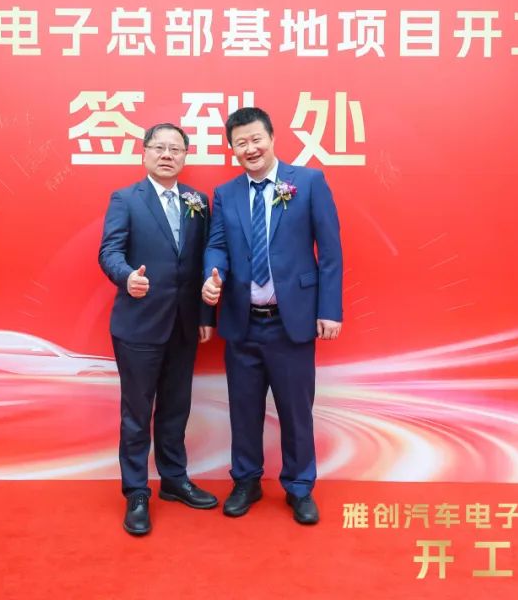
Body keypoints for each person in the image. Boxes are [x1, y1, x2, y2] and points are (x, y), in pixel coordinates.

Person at [201, 107, 342, 525]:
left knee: (296, 412)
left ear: (272, 137)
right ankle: (246, 481)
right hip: (242, 322)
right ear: (232, 149)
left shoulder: (309, 182)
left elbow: (330, 252)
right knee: (243, 409)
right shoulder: (225, 193)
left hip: (290, 321)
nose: (250, 148)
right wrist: (212, 276)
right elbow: (217, 245)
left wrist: (329, 310)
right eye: (240, 143)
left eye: (255, 139)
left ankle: (299, 487)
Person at [99, 122, 218, 536]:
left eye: (175, 149)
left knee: (175, 408)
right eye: (159, 148)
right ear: (145, 152)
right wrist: (127, 276)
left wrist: (205, 317)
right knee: (136, 414)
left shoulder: (198, 201)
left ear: (185, 156)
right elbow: (110, 251)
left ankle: (174, 480)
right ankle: (136, 492)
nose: (167, 155)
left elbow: (204, 262)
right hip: (139, 325)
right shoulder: (126, 199)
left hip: (184, 325)